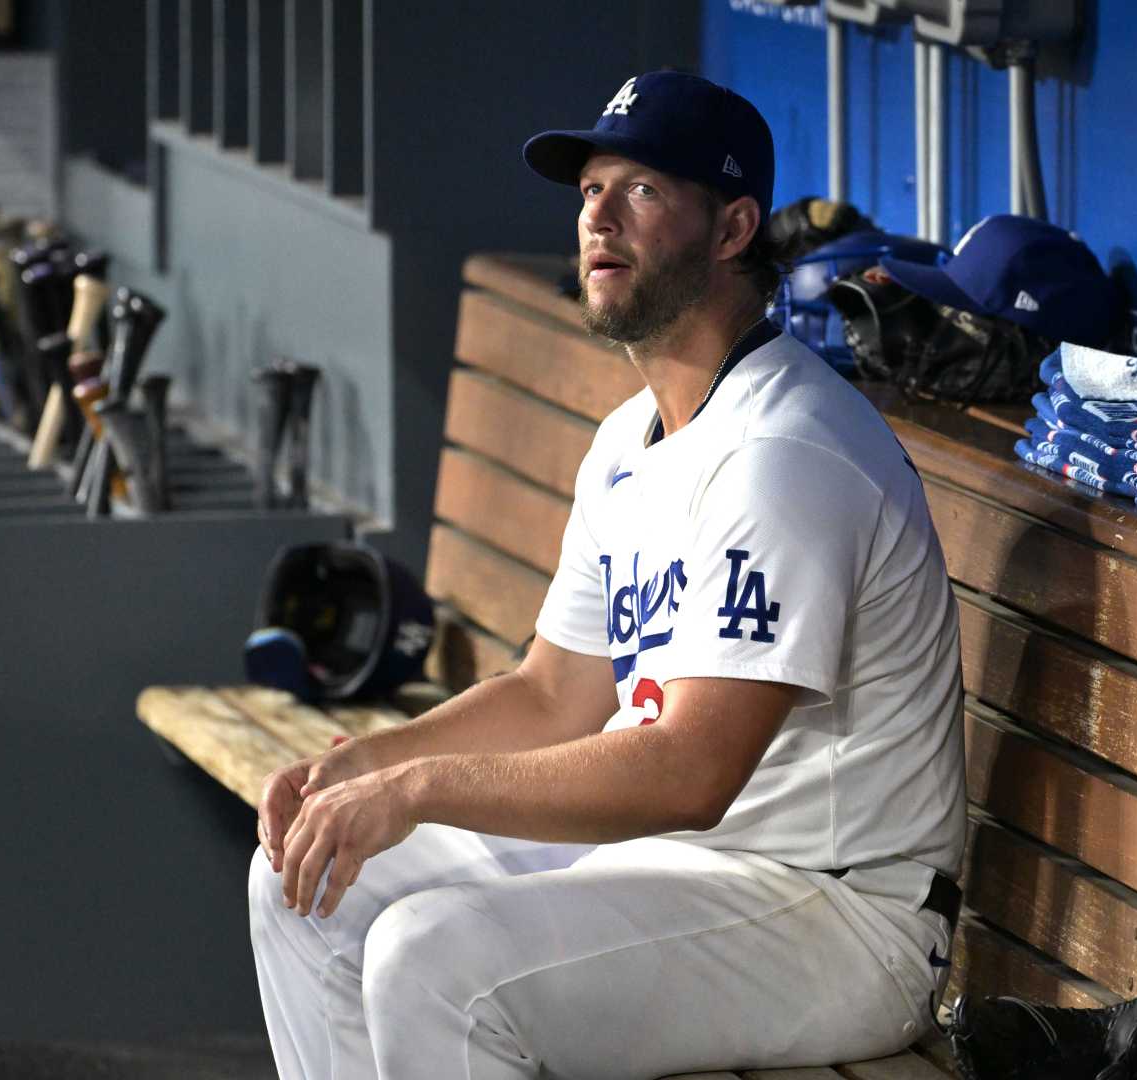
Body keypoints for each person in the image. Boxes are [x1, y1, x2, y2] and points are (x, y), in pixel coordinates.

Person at [247, 70, 967, 1080]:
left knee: (431, 963)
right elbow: (553, 696)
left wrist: (417, 788)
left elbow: (688, 773)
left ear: (730, 228)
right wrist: (364, 770)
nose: (596, 217)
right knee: (302, 877)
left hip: (834, 908)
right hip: (687, 873)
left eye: (639, 190)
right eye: (588, 190)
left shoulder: (784, 452)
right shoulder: (628, 439)